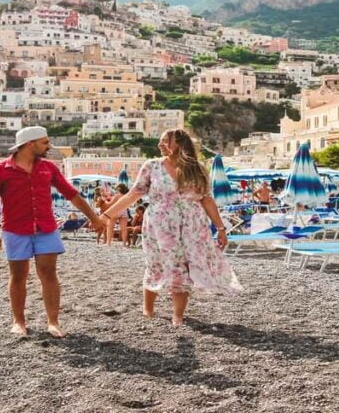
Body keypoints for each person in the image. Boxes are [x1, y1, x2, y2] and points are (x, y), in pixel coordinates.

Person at [103, 129, 242, 326]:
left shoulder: (197, 168)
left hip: (192, 226)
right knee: (156, 263)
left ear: (179, 142)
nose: (160, 145)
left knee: (183, 267)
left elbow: (206, 199)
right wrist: (107, 214)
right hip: (160, 225)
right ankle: (148, 309)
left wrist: (220, 228)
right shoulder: (152, 166)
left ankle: (177, 316)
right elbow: (134, 194)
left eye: (165, 141)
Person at [0, 126, 104, 338]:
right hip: (15, 229)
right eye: (45, 142)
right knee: (18, 276)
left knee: (49, 274)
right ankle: (19, 322)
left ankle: (53, 322)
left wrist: (94, 218)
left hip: (46, 227)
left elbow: (71, 194)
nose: (49, 146)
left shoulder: (48, 168)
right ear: (30, 144)